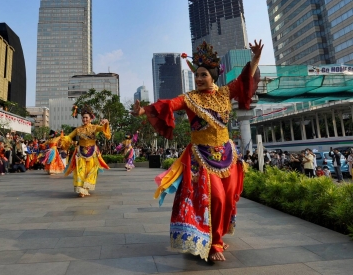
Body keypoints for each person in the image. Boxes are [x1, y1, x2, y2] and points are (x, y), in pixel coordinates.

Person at [131, 40, 262, 262]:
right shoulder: (190, 99)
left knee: (228, 197)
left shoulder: (225, 93)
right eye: (198, 75)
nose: (199, 79)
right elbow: (169, 104)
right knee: (216, 198)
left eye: (204, 75)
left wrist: (256, 58)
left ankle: (216, 236)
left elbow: (245, 80)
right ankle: (213, 245)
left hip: (228, 155)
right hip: (202, 156)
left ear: (213, 77)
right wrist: (144, 110)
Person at [63, 105, 111, 197]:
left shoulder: (94, 127)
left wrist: (106, 123)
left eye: (86, 117)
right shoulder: (78, 129)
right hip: (80, 152)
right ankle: (81, 189)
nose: (84, 119)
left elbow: (103, 128)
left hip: (92, 152)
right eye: (83, 118)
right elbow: (69, 136)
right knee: (80, 170)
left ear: (90, 119)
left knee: (91, 170)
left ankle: (86, 188)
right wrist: (63, 139)